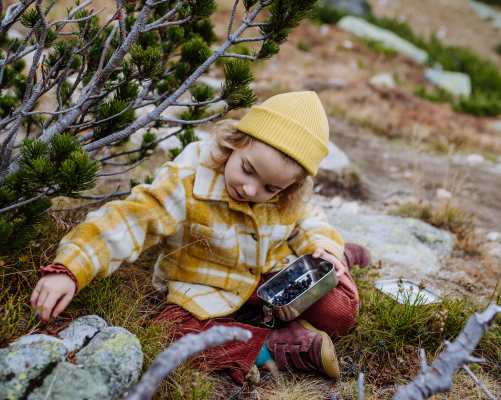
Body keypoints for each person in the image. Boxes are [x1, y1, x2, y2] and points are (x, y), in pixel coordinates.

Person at [30, 91, 371, 383]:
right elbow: (131, 220)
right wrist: (71, 269)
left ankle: (339, 258)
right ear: (233, 142)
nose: (250, 189)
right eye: (247, 170)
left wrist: (324, 247)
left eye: (270, 188)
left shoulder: (288, 196)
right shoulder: (188, 182)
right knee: (169, 334)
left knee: (339, 313)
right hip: (206, 288)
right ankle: (275, 347)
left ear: (289, 186)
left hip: (274, 277)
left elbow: (310, 218)